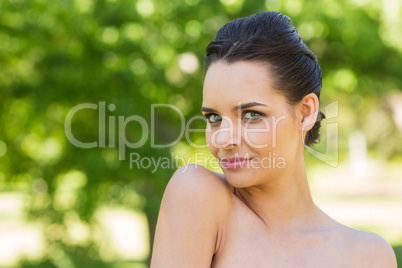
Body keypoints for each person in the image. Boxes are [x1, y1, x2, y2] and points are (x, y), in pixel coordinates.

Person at [150, 11, 397, 267]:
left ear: (305, 113)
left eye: (251, 114)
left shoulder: (369, 256)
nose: (224, 139)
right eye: (214, 117)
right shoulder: (196, 194)